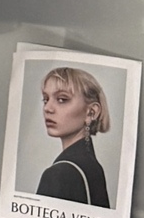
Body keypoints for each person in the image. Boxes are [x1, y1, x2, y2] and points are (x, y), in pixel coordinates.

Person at [34, 66, 111, 206]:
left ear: (91, 112)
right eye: (46, 99)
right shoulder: (93, 167)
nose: (47, 108)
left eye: (62, 99)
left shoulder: (59, 174)